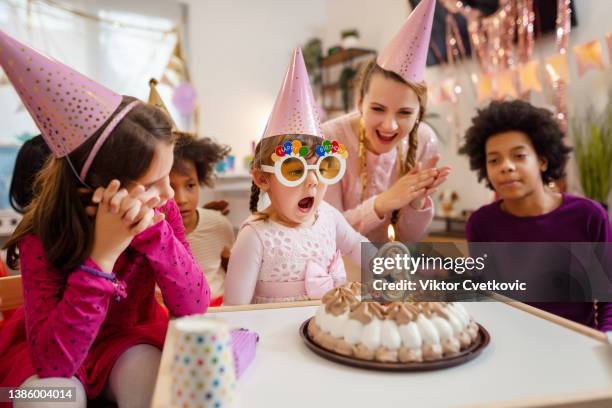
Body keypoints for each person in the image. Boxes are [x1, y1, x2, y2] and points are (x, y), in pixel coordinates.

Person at [0, 30, 209, 407]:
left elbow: (194, 305)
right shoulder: (42, 236)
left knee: (155, 387)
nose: (168, 194)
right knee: (49, 397)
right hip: (51, 353)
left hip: (127, 342)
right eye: (151, 183)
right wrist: (102, 259)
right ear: (93, 188)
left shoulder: (161, 213)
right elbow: (55, 364)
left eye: (168, 176)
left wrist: (155, 235)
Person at [224, 49, 368, 305]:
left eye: (322, 167)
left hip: (328, 333)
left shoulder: (329, 217)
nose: (313, 181)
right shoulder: (254, 237)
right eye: (294, 170)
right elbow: (235, 312)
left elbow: (365, 251)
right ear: (262, 178)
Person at [462, 99, 612, 332]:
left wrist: (604, 344)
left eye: (519, 156)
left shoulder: (589, 216)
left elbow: (608, 300)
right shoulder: (481, 224)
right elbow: (487, 297)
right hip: (512, 344)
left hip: (577, 345)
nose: (506, 166)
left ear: (542, 160)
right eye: (494, 160)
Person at [323, 0, 450, 243]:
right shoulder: (330, 139)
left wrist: (416, 202)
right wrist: (382, 203)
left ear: (419, 114)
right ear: (360, 102)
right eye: (378, 109)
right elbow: (325, 232)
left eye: (404, 113)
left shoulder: (424, 140)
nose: (389, 126)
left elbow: (409, 240)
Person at [171, 131, 234, 305]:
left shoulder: (219, 224)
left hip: (218, 310)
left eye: (190, 185)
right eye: (170, 188)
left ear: (200, 182)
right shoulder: (149, 232)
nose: (181, 199)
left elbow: (232, 270)